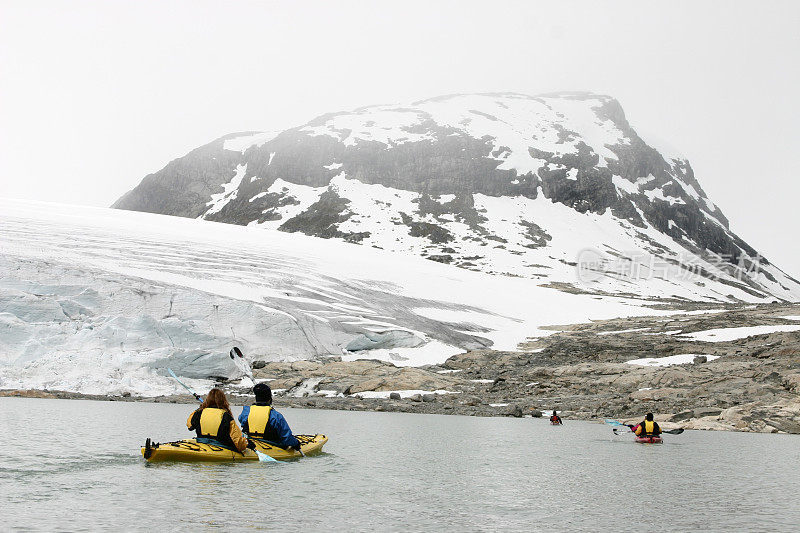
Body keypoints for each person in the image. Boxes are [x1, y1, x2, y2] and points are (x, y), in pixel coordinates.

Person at [239, 383, 301, 451]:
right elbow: (286, 438)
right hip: (270, 445)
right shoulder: (276, 416)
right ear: (270, 399)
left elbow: (241, 420)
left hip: (250, 443)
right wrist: (296, 443)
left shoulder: (246, 412)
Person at [187, 388, 250, 453]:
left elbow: (190, 425)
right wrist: (246, 444)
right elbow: (238, 442)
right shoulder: (226, 416)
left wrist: (200, 408)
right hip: (220, 445)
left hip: (202, 442)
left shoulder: (199, 412)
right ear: (223, 400)